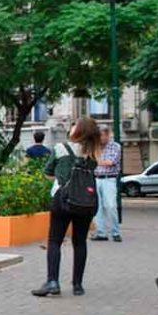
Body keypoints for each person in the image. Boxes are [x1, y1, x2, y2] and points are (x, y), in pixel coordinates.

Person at [32, 117, 101, 298]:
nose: (71, 127)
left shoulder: (61, 148)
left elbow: (47, 172)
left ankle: (52, 282)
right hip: (85, 202)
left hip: (62, 201)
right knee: (80, 242)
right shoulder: (93, 153)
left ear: (78, 131)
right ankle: (78, 285)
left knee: (55, 241)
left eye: (74, 125)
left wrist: (60, 177)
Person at [91, 125, 122, 242]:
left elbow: (110, 162)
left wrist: (96, 161)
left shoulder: (115, 146)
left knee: (111, 205)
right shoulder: (94, 146)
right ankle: (101, 232)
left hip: (109, 178)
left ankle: (115, 232)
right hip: (95, 178)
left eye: (102, 136)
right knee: (96, 207)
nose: (100, 139)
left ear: (108, 135)